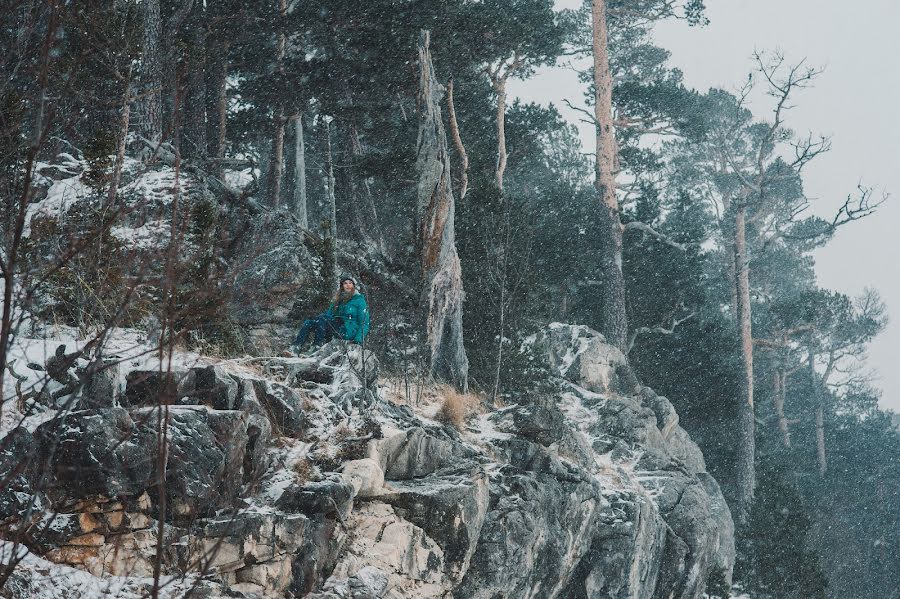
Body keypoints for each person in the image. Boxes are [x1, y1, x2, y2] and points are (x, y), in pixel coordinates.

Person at [291, 274, 370, 353]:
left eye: (350, 283)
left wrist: (358, 340)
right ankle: (295, 347)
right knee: (309, 322)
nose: (348, 285)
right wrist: (315, 319)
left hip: (347, 330)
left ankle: (317, 346)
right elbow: (329, 315)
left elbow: (364, 323)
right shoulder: (338, 300)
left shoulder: (359, 301)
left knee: (322, 319)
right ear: (342, 286)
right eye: (345, 283)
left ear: (353, 286)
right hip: (336, 327)